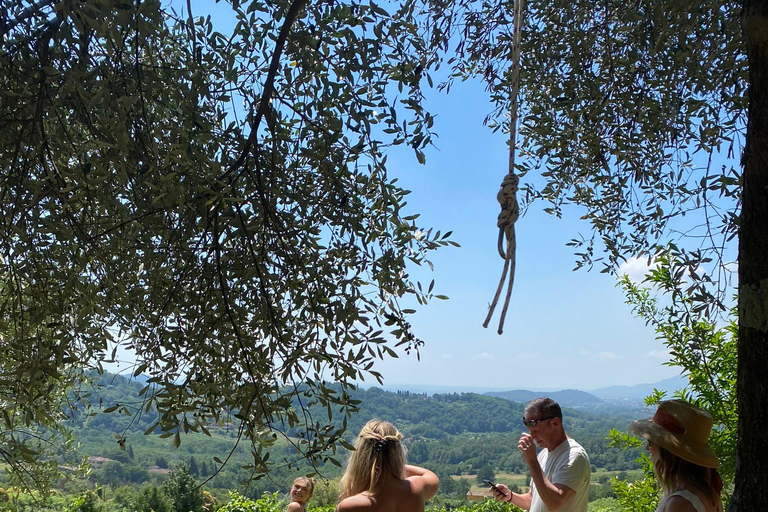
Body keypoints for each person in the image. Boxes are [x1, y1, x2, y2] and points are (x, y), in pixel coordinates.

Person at [491, 397, 590, 512]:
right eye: (530, 431)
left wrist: (532, 461)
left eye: (536, 431)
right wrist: (510, 496)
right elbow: (532, 500)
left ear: (555, 423)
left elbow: (554, 503)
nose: (532, 436)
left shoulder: (574, 456)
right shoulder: (543, 454)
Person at [627, 399, 723, 512]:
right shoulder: (708, 491)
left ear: (667, 451)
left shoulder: (680, 502)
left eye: (650, 441)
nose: (647, 448)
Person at [336, 419, 439, 512]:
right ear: (397, 452)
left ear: (360, 455)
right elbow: (430, 475)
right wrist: (391, 465)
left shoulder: (350, 506)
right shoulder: (415, 490)